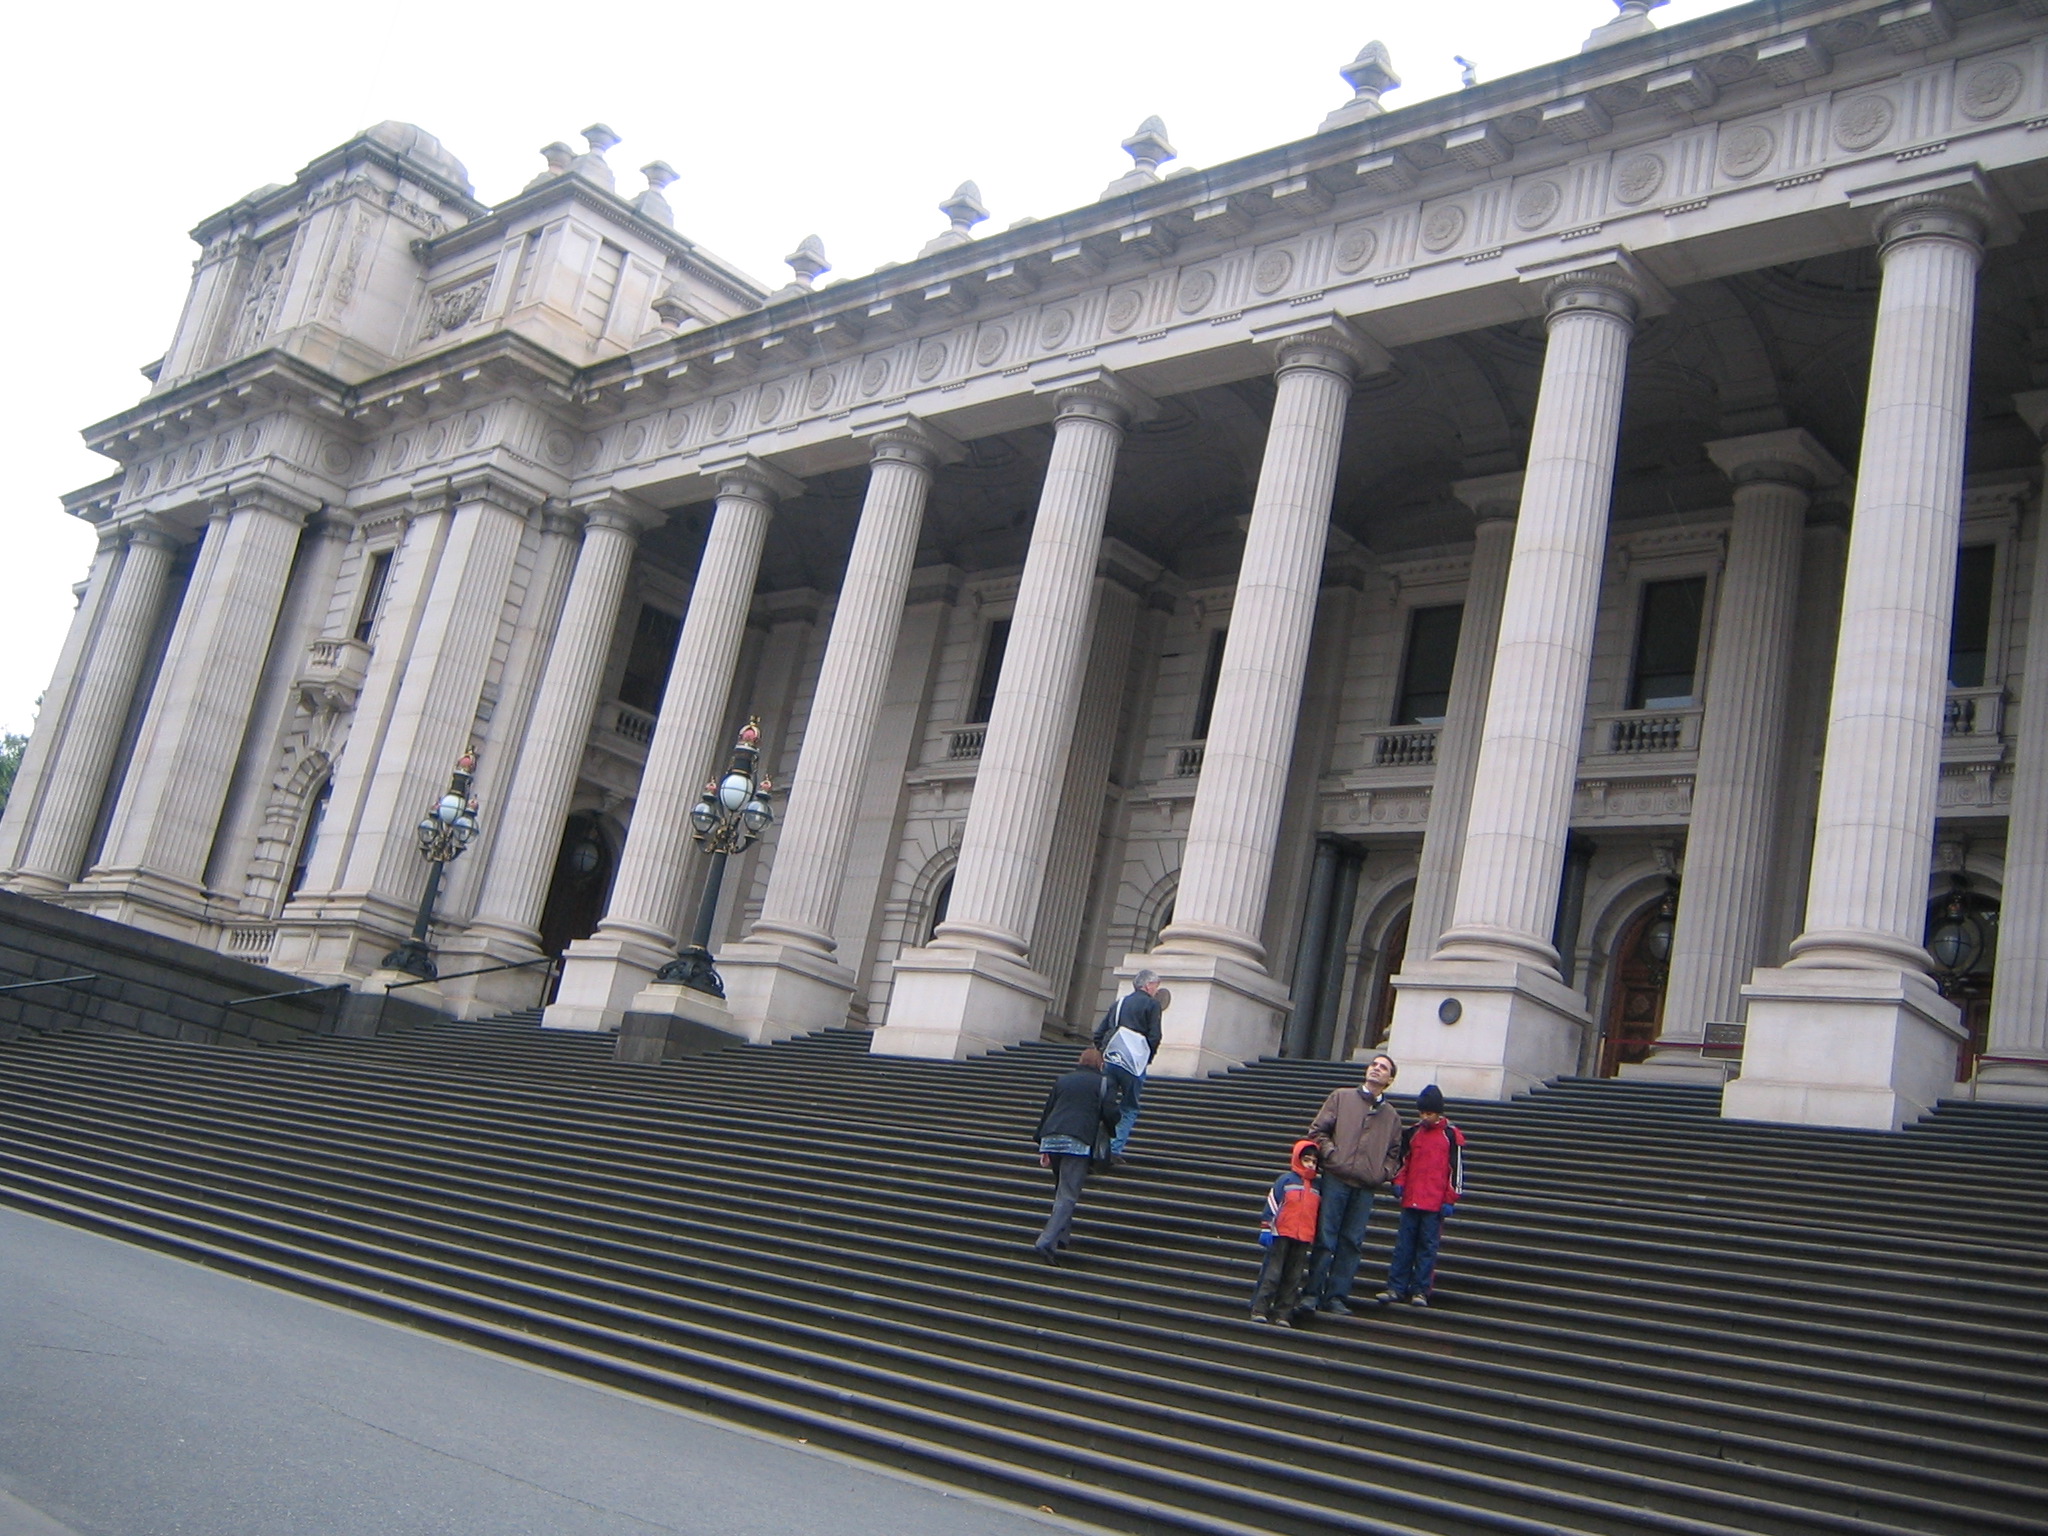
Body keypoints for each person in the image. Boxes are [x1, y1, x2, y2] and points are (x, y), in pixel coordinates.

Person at [1303, 1052, 1403, 1317]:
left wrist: (1382, 1173)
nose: (1376, 1069)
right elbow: (1317, 1131)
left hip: (1365, 1186)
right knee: (1325, 1237)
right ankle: (1311, 1293)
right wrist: (1332, 1155)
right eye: (1374, 1065)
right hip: (1336, 1177)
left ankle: (1336, 1296)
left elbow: (1395, 1154)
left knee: (1352, 1242)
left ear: (1390, 1079)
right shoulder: (1341, 1097)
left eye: (1383, 1068)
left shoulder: (1392, 1117)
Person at [1030, 1047, 1125, 1263]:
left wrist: (1041, 1142)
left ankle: (1062, 1237)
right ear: (1101, 1064)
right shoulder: (1104, 1083)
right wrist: (1111, 1130)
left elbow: (1049, 1109)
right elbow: (1111, 1113)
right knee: (1068, 1194)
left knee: (1061, 1190)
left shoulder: (1063, 1080)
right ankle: (1045, 1240)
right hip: (1078, 1140)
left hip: (1052, 1137)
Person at [1377, 1083, 1466, 1307]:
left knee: (1427, 1248)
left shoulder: (1451, 1136)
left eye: (1429, 1113)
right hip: (1412, 1199)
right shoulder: (1414, 1133)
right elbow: (1403, 1162)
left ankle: (1420, 1289)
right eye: (1422, 1113)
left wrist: (1450, 1198)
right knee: (1403, 1246)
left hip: (1434, 1203)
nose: (1425, 1117)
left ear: (1438, 1112)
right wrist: (1398, 1182)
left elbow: (1456, 1170)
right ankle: (1396, 1287)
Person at [1091, 969, 1162, 1163]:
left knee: (1105, 1103)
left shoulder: (1119, 1003)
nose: (1157, 990)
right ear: (1148, 985)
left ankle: (1094, 1147)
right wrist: (1146, 1058)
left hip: (1112, 1060)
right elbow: (1155, 1036)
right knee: (1129, 1106)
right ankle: (1114, 1149)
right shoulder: (1152, 1004)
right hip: (1134, 1063)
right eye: (1156, 985)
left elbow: (1099, 1033)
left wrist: (1104, 1051)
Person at [1249, 1139, 1323, 1326]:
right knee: (1272, 1273)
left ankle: (1283, 1313)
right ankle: (1260, 1308)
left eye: (1314, 1161)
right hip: (1281, 1233)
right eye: (1306, 1160)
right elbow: (1272, 1204)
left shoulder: (1316, 1187)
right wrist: (1266, 1228)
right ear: (1298, 1159)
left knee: (1293, 1277)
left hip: (1303, 1236)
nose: (1310, 1164)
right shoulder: (1286, 1180)